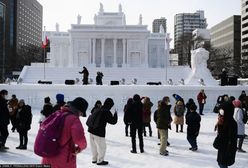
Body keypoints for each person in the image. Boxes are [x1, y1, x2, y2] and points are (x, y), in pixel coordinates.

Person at [42, 97, 88, 168]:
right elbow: (80, 140)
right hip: (62, 160)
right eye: (81, 114)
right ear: (79, 110)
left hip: (47, 155)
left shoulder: (57, 113)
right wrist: (80, 148)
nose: (80, 115)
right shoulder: (74, 119)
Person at [87, 98, 118, 165]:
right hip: (98, 131)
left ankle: (94, 159)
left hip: (91, 130)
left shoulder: (98, 108)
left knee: (94, 146)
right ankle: (100, 160)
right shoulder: (106, 111)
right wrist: (115, 114)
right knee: (102, 147)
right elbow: (113, 121)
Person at [215, 101, 237, 168]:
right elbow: (221, 134)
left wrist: (229, 151)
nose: (220, 113)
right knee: (221, 164)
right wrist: (220, 125)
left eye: (222, 111)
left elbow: (232, 139)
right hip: (223, 148)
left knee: (222, 164)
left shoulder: (231, 123)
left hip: (226, 150)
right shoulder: (224, 120)